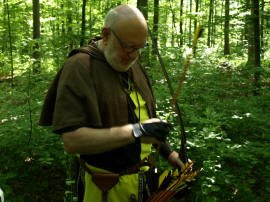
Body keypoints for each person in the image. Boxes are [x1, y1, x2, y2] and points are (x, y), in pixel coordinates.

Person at [39, 4, 184, 202]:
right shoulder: (80, 67)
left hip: (143, 182)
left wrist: (170, 154)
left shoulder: (131, 62)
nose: (133, 55)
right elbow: (72, 142)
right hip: (104, 190)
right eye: (129, 47)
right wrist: (137, 131)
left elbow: (144, 120)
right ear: (106, 35)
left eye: (139, 48)